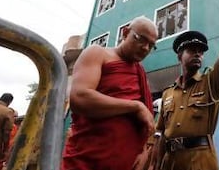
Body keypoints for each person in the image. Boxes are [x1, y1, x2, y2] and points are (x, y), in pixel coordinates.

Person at [153, 0, 219, 170]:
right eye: (192, 50)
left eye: (201, 52)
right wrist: (156, 165)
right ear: (179, 55)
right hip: (171, 162)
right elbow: (160, 134)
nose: (198, 55)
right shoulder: (168, 93)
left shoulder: (211, 83)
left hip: (201, 161)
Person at [62, 16, 158, 170]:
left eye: (151, 45)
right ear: (125, 33)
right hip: (87, 160)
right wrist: (135, 106)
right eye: (141, 39)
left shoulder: (140, 73)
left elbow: (147, 122)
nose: (146, 48)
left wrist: (144, 150)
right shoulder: (98, 54)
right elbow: (80, 98)